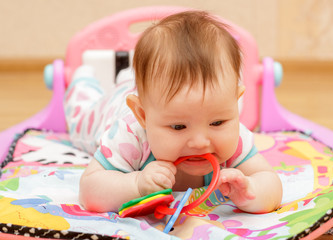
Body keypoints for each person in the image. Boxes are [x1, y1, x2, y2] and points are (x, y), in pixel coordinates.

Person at [65, 10, 283, 214]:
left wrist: (250, 190)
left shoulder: (235, 139)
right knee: (82, 114)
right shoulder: (131, 135)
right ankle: (84, 80)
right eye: (178, 126)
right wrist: (136, 185)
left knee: (143, 87)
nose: (199, 142)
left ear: (236, 103)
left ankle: (127, 80)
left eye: (217, 123)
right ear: (143, 116)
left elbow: (270, 182)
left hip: (154, 98)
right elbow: (89, 191)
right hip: (110, 110)